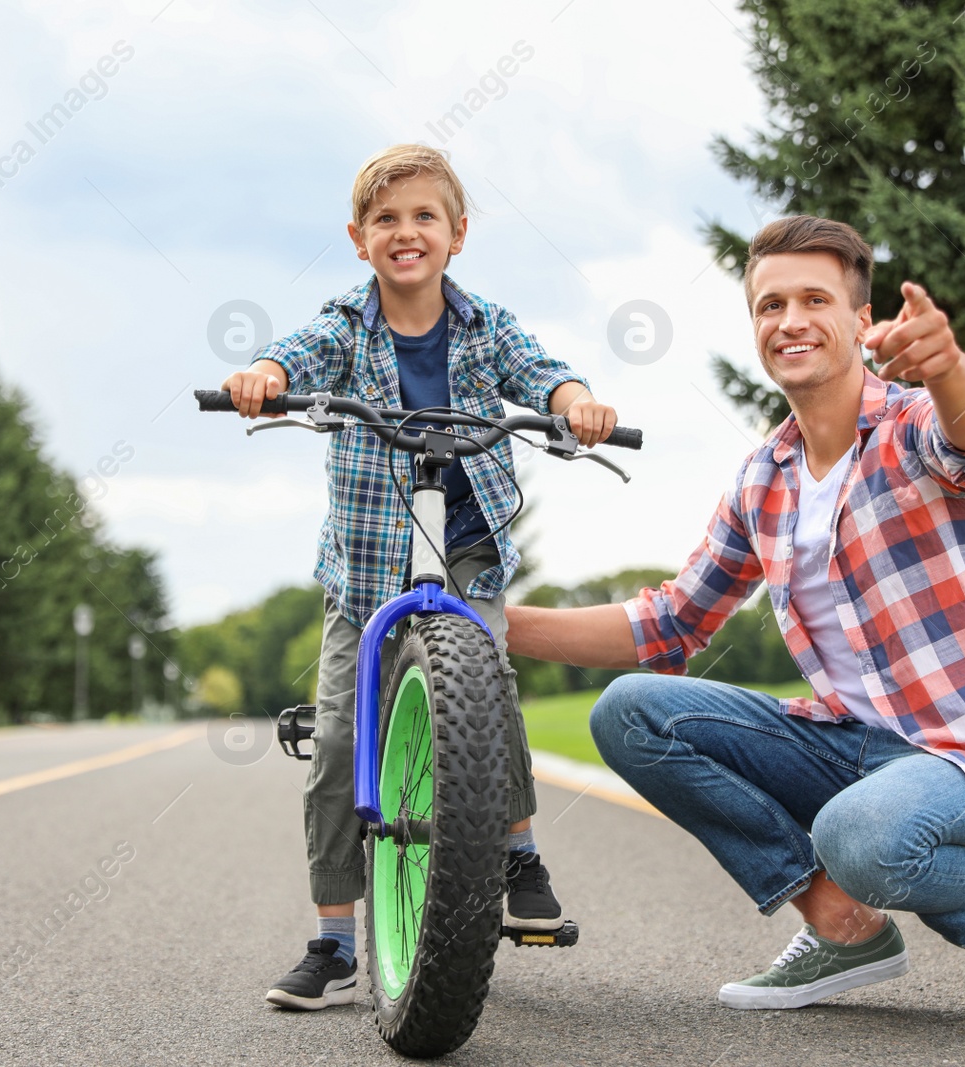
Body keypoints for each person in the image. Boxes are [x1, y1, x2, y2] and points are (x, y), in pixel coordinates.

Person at [505, 215, 965, 1025]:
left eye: (814, 299)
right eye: (771, 306)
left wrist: (948, 366)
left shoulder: (914, 423)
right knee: (631, 712)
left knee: (860, 835)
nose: (790, 320)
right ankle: (843, 925)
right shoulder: (762, 479)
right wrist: (488, 619)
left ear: (858, 319)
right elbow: (669, 623)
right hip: (853, 747)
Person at [222, 144, 618, 1011]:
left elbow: (544, 371)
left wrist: (574, 400)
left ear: (458, 234)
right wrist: (267, 376)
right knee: (335, 739)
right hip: (365, 570)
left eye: (424, 217)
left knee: (489, 683)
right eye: (387, 220)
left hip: (466, 539)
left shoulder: (485, 325)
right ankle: (333, 939)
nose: (407, 233)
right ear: (361, 240)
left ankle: (515, 846)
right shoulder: (347, 324)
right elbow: (300, 352)